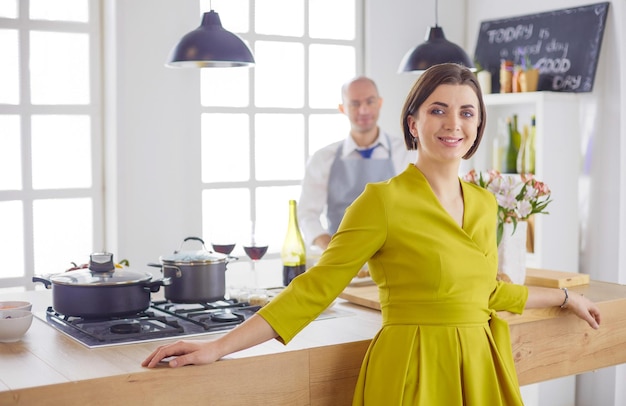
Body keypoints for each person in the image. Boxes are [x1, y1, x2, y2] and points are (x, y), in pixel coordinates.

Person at [142, 63, 601, 405]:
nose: (453, 123)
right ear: (412, 122)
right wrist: (216, 347)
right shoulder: (381, 201)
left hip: (480, 369)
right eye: (437, 110)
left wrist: (564, 299)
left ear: (478, 124)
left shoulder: (484, 204)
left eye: (466, 112)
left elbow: (489, 293)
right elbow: (313, 290)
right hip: (412, 370)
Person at [298, 76, 415, 250]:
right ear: (342, 108)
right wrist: (329, 247)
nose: (363, 110)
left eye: (370, 101)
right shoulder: (322, 158)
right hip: (342, 258)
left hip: (396, 256)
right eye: (354, 104)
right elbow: (307, 214)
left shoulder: (407, 153)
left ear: (380, 103)